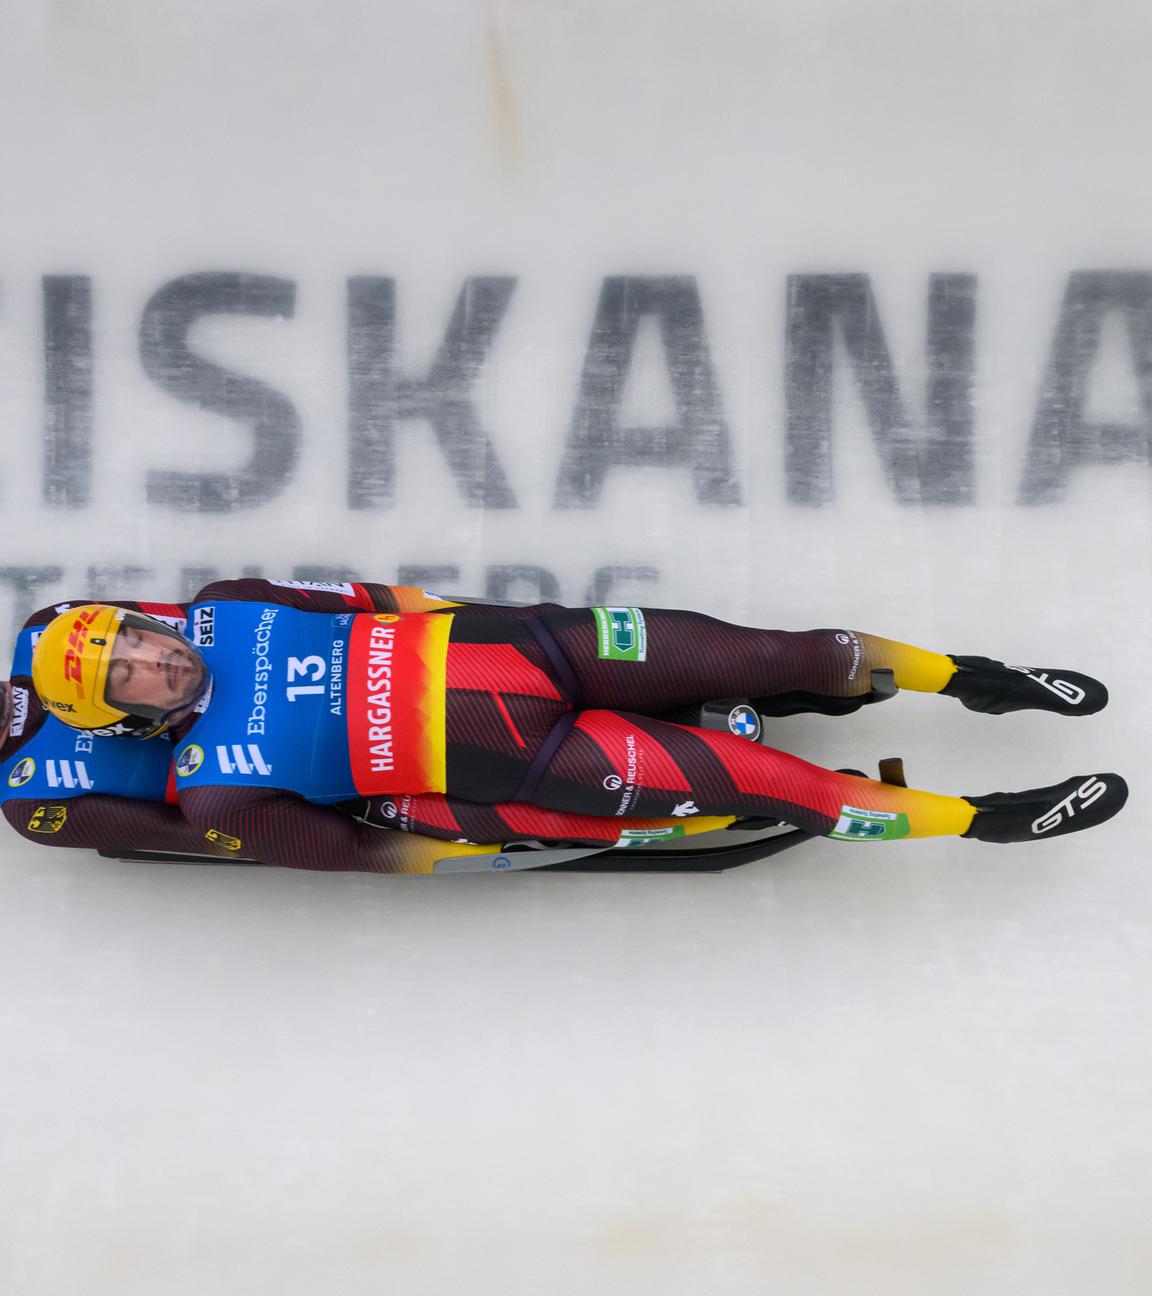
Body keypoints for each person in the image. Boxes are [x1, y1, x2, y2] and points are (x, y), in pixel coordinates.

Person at [29, 576, 1127, 873]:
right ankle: (981, 821)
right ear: (126, 720)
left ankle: (976, 676)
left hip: (541, 646)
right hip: (537, 758)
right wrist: (490, 841)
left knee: (786, 654)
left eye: (137, 638)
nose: (155, 660)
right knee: (775, 783)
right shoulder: (216, 788)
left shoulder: (230, 604)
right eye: (131, 678)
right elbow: (357, 850)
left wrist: (503, 617)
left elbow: (377, 602)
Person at [2, 580, 720, 867]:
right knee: (450, 796)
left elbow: (183, 624)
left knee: (503, 654)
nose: (142, 665)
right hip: (314, 775)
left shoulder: (54, 629)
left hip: (344, 673)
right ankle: (640, 802)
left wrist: (435, 616)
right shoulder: (33, 803)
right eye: (124, 678)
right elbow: (195, 837)